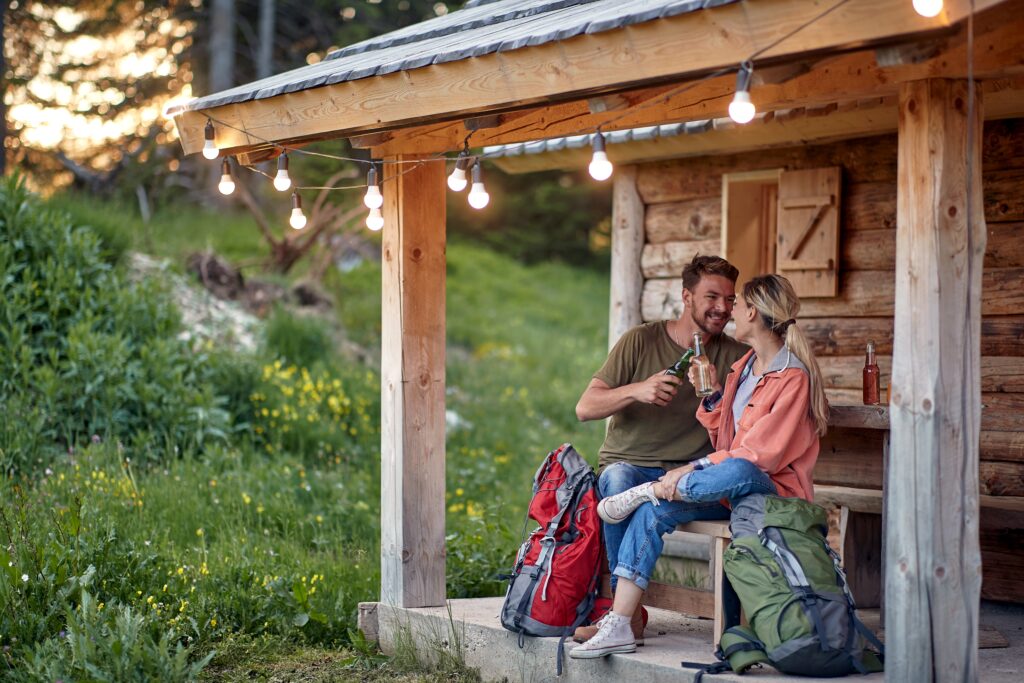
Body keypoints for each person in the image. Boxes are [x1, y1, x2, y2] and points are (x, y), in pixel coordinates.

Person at [570, 273, 829, 659]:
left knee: (738, 471)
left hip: (770, 493)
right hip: (724, 489)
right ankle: (621, 623)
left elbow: (762, 456)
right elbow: (725, 430)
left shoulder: (792, 377)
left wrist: (691, 469)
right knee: (652, 512)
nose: (730, 311)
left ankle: (650, 489)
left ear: (754, 313)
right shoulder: (744, 367)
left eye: (736, 303)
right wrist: (708, 399)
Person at [572, 255, 748, 650]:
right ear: (686, 296)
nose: (722, 307)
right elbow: (585, 407)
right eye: (711, 296)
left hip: (689, 476)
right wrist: (637, 390)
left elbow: (741, 437)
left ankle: (619, 618)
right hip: (631, 467)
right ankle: (629, 616)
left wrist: (717, 394)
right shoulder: (641, 340)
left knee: (637, 501)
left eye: (730, 299)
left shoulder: (736, 355)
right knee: (617, 482)